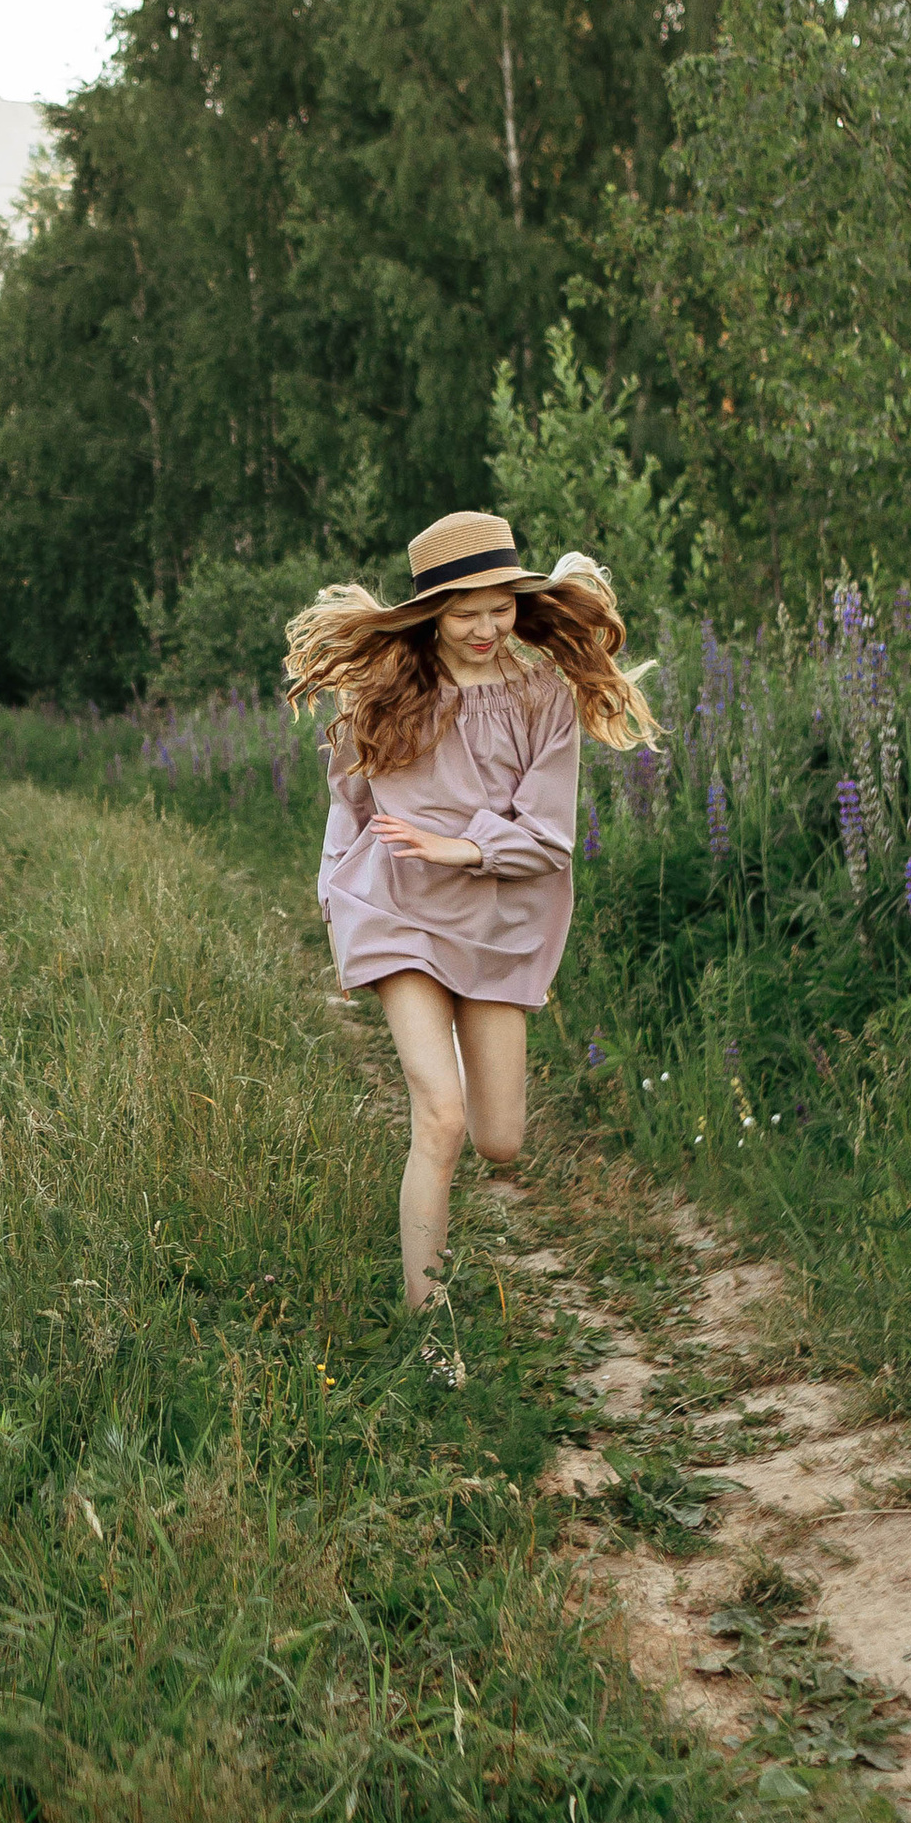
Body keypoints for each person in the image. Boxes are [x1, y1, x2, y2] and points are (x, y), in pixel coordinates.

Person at [284, 512, 657, 1308]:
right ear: (430, 613)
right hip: (398, 912)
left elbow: (550, 837)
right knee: (442, 1120)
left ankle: (440, 1257)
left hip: (497, 922)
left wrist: (465, 848)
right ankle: (428, 1327)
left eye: (501, 606)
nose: (486, 627)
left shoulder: (542, 697)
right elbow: (346, 803)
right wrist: (332, 891)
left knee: (501, 1140)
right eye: (464, 611)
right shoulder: (382, 694)